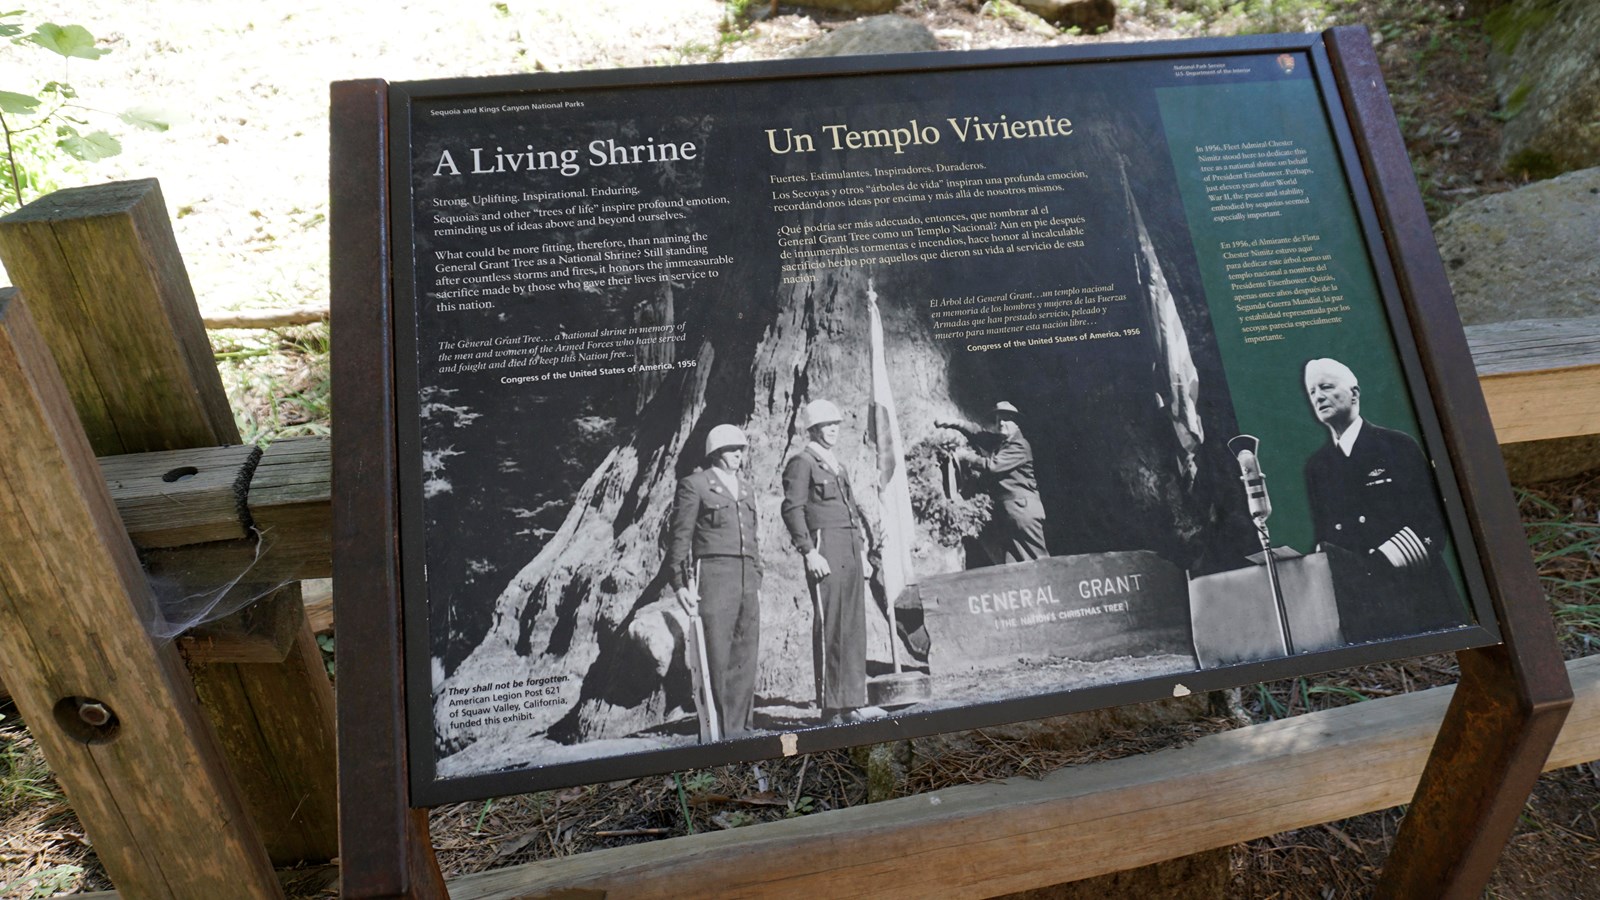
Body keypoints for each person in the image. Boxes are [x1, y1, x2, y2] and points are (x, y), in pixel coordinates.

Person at [1300, 358, 1466, 643]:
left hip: (1417, 595)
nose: (1318, 397)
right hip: (1363, 606)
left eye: (1326, 387)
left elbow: (1431, 524)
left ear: (1354, 393)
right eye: (1312, 392)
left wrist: (1374, 566)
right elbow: (1325, 536)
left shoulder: (1397, 446)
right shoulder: (1317, 467)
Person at [665, 424, 762, 738]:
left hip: (746, 576)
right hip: (715, 575)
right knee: (717, 653)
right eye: (733, 450)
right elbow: (680, 538)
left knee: (745, 650)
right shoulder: (696, 485)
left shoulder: (745, 488)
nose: (739, 455)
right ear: (716, 453)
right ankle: (719, 728)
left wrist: (757, 576)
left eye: (741, 450)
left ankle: (740, 726)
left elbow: (754, 535)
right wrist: (679, 584)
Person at [781, 399, 873, 724]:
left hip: (849, 547)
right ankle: (831, 706)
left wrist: (861, 550)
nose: (833, 430)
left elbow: (851, 511)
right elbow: (792, 509)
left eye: (836, 424)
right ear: (814, 429)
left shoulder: (837, 464)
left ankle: (850, 702)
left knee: (852, 625)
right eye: (827, 425)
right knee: (831, 624)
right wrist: (808, 551)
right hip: (825, 547)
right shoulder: (802, 462)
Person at [941, 401, 1049, 565]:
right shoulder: (1002, 442)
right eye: (998, 420)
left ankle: (1054, 588)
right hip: (1011, 513)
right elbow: (979, 434)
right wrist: (956, 423)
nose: (1001, 423)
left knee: (1039, 560)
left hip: (1024, 512)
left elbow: (992, 466)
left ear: (1017, 423)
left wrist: (966, 456)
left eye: (1006, 419)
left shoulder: (1020, 445)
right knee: (1014, 565)